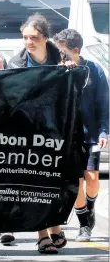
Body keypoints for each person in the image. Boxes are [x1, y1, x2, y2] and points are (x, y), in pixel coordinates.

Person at [7, 13, 74, 254]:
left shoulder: (61, 58)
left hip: (58, 130)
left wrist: (70, 72)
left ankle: (55, 225)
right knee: (36, 182)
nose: (29, 42)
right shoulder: (16, 63)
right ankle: (43, 234)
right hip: (28, 132)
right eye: (25, 37)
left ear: (45, 37)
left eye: (33, 37)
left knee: (56, 182)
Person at [53, 29, 109, 242]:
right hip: (68, 136)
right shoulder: (58, 71)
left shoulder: (94, 70)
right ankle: (84, 224)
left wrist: (104, 130)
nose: (60, 55)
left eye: (63, 51)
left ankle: (90, 207)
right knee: (76, 182)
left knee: (92, 179)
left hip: (91, 134)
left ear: (75, 51)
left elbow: (104, 104)